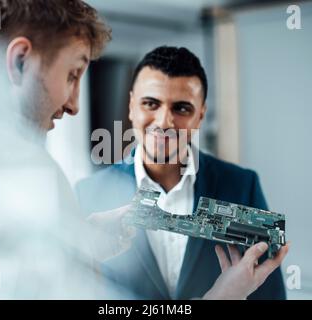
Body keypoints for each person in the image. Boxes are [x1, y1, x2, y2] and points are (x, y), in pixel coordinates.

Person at [0, 0, 286, 299]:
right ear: (19, 61)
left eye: (182, 108)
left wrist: (80, 246)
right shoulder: (26, 176)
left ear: (202, 114)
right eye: (72, 75)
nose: (74, 105)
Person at [76, 46, 289, 299]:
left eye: (182, 108)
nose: (164, 121)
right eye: (150, 103)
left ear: (200, 115)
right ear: (132, 106)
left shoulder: (243, 185)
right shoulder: (87, 195)